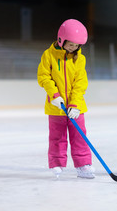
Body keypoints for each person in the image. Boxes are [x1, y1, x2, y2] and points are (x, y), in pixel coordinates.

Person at [37, 19, 95, 179]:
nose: (74, 48)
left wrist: (75, 104)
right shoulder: (48, 55)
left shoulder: (79, 59)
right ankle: (57, 164)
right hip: (56, 106)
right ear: (61, 39)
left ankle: (83, 165)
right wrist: (54, 95)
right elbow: (43, 77)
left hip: (76, 108)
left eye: (77, 45)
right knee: (57, 137)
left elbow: (80, 83)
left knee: (79, 136)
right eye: (71, 44)